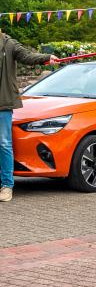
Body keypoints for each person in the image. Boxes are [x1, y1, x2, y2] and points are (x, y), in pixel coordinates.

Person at [0, 31, 59, 202]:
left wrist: (46, 57)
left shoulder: (8, 44)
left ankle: (6, 186)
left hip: (3, 102)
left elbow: (27, 56)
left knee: (4, 144)